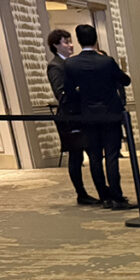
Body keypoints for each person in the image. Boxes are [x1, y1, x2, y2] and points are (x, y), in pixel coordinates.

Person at [62, 24, 134, 210]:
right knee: (111, 155)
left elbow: (68, 91)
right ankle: (117, 196)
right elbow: (125, 80)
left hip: (87, 116)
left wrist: (84, 97)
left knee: (94, 157)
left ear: (78, 40)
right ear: (95, 39)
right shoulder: (106, 61)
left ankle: (104, 196)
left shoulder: (70, 64)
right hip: (110, 114)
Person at [45, 28, 101, 206]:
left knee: (92, 154)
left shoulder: (72, 63)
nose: (70, 45)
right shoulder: (55, 66)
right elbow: (61, 92)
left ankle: (99, 191)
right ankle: (81, 193)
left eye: (70, 41)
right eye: (66, 42)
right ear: (55, 45)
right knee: (76, 156)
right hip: (70, 118)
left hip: (83, 115)